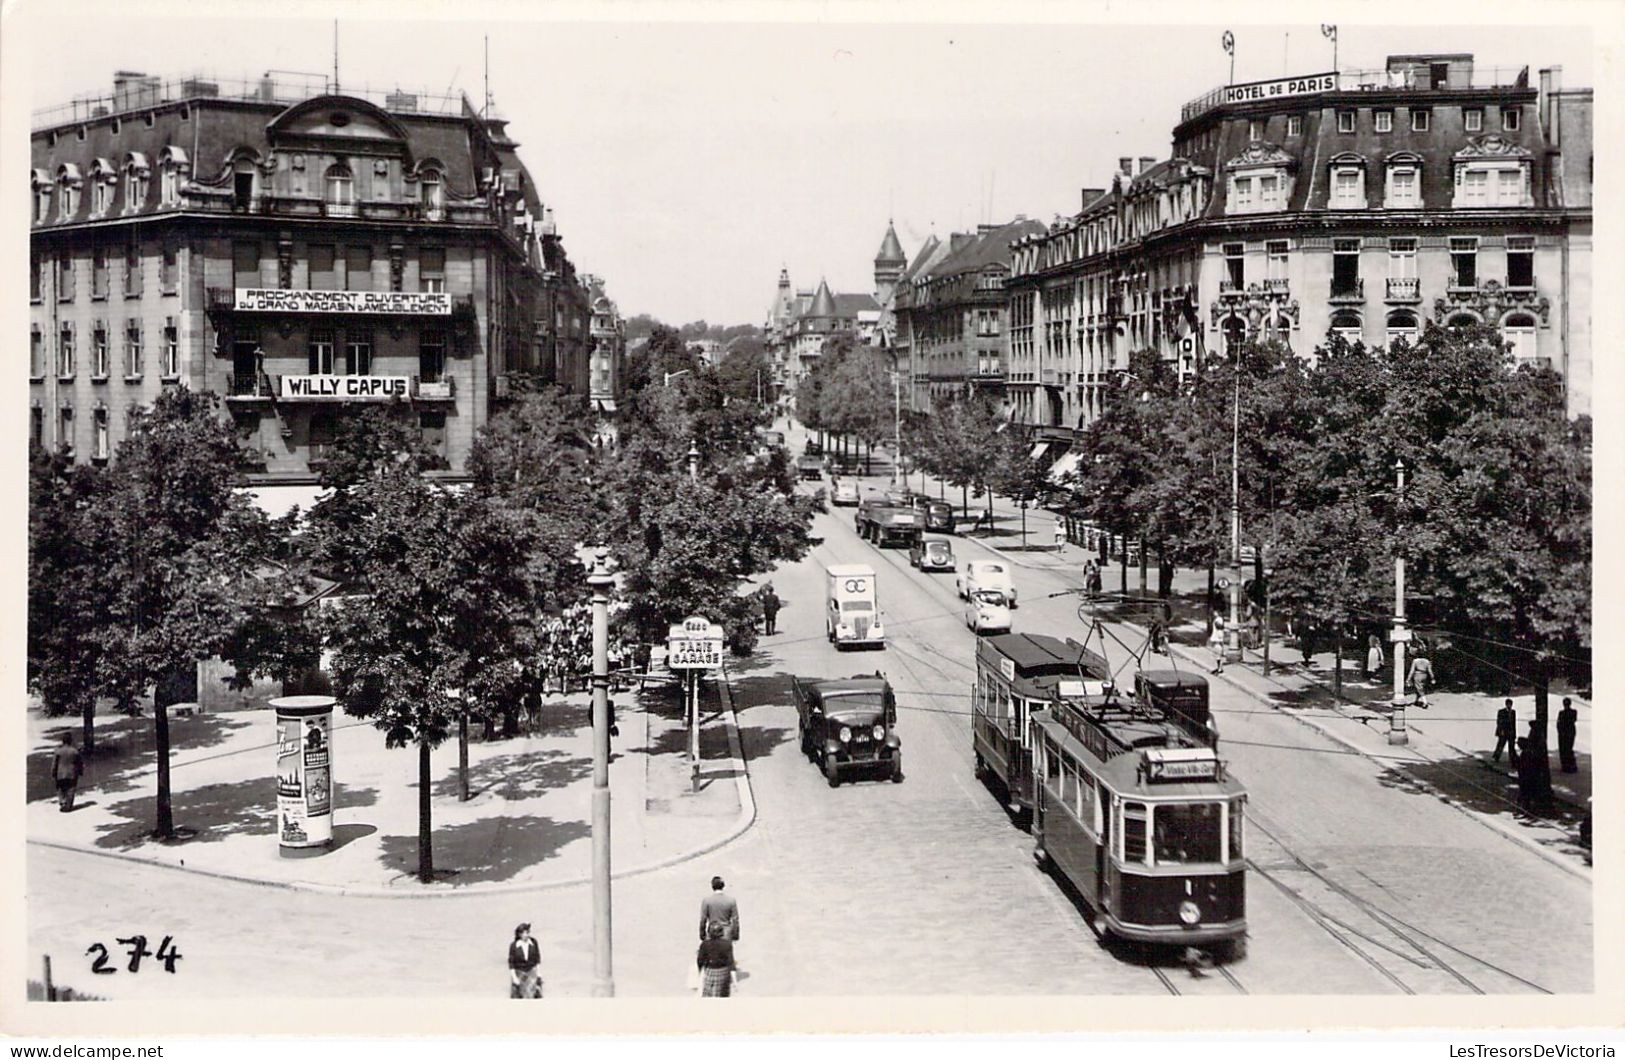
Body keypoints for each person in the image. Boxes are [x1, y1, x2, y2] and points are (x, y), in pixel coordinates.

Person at [695, 920, 736, 997]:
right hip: (724, 973)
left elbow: (700, 960)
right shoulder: (727, 944)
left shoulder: (705, 944)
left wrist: (700, 971)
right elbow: (730, 962)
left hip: (710, 971)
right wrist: (735, 981)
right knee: (723, 995)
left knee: (708, 994)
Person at [699, 875, 740, 942]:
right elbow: (735, 920)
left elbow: (703, 919)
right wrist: (735, 935)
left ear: (712, 886)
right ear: (723, 886)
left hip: (712, 933)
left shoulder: (706, 900)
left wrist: (702, 935)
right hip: (726, 933)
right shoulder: (731, 900)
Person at [51, 733, 84, 812]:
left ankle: (62, 802)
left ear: (62, 741)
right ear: (70, 741)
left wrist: (53, 772)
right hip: (72, 773)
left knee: (60, 788)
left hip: (60, 773)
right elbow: (79, 763)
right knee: (71, 789)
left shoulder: (58, 751)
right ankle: (68, 805)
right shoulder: (75, 751)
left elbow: (54, 763)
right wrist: (80, 771)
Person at [508, 923, 542, 998]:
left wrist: (538, 973)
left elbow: (537, 958)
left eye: (527, 932)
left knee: (532, 993)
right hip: (519, 971)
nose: (526, 935)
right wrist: (514, 978)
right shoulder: (514, 945)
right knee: (518, 994)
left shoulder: (533, 942)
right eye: (524, 933)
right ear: (519, 934)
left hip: (531, 970)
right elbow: (511, 963)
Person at [1556, 697, 1579, 774]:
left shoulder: (1564, 713)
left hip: (1566, 732)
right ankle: (1567, 766)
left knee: (1566, 750)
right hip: (1567, 732)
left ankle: (1568, 766)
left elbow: (1560, 722)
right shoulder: (1572, 712)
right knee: (1567, 750)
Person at [1493, 698, 1518, 764]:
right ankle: (1496, 757)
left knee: (1511, 747)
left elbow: (1514, 723)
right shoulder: (1501, 712)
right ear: (1506, 704)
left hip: (1511, 732)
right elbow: (1499, 722)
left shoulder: (1513, 712)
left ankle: (1512, 759)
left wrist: (1514, 733)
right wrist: (1501, 730)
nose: (1509, 706)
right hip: (1503, 731)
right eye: (1508, 704)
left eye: (1510, 704)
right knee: (1501, 745)